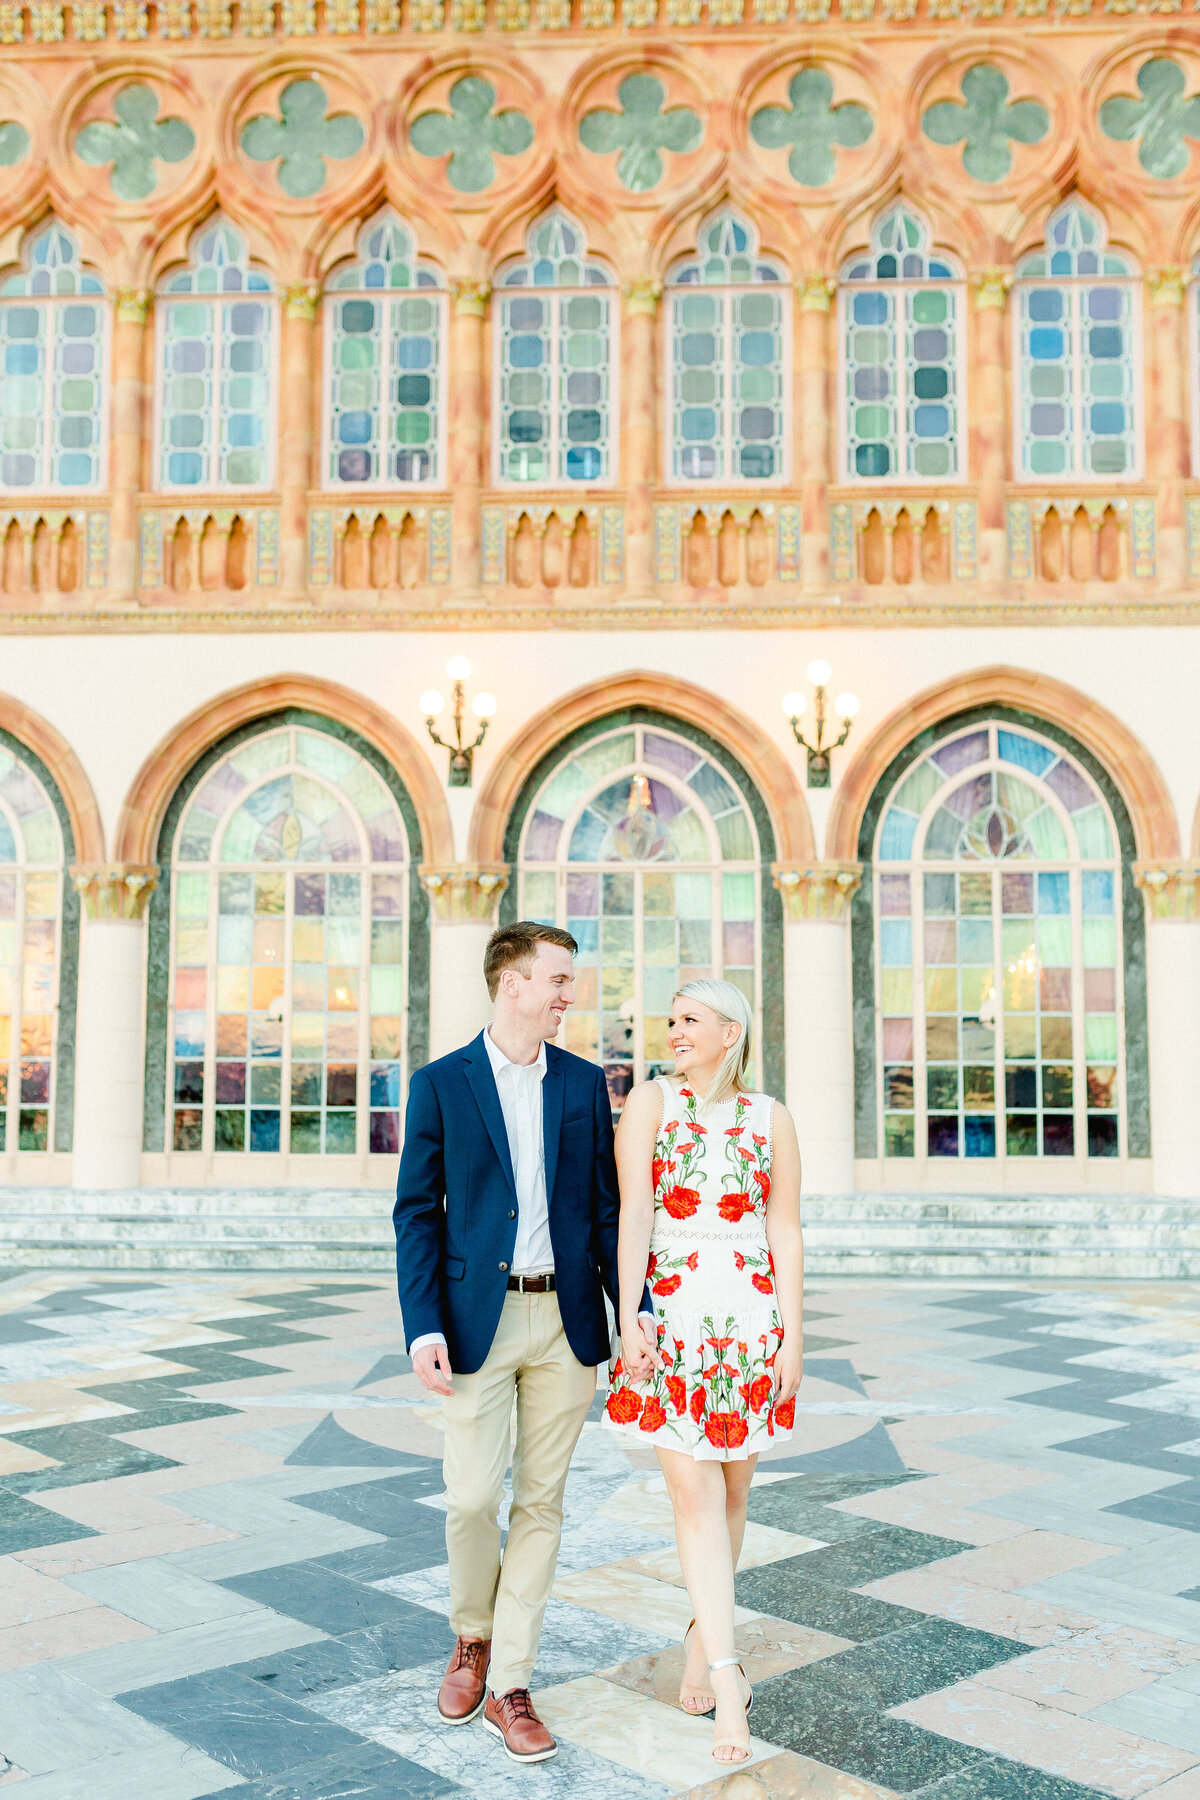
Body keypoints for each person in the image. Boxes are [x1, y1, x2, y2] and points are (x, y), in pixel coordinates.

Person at [393, 919, 654, 1766]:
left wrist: (631, 1312)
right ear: (512, 984)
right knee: (472, 1498)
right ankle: (470, 1636)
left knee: (541, 1503)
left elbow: (607, 1208)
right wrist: (423, 1324)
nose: (568, 995)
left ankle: (510, 1680)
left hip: (567, 1322)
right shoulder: (440, 1084)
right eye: (558, 980)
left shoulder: (584, 1085)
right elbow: (416, 1215)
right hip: (476, 1321)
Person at [603, 979, 804, 1767]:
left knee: (732, 1491)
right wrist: (630, 1320)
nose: (675, 1030)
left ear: (731, 1031)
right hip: (676, 1315)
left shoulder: (772, 1117)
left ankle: (699, 1632)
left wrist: (793, 1336)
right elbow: (634, 1215)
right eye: (672, 1019)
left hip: (751, 1319)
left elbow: (784, 1225)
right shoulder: (651, 1104)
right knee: (691, 1493)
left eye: (691, 1020)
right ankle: (728, 1678)